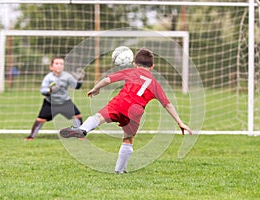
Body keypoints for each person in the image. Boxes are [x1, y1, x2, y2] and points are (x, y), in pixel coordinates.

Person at [60, 48, 192, 173]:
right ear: (152, 66)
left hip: (120, 103)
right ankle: (119, 170)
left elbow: (107, 80)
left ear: (135, 64)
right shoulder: (154, 83)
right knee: (128, 139)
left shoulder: (130, 72)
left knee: (99, 117)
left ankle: (83, 129)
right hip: (136, 111)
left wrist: (96, 88)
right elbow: (167, 104)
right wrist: (180, 122)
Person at [25, 57, 84, 141]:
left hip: (65, 102)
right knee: (40, 120)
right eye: (56, 64)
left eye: (61, 64)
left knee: (77, 116)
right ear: (51, 67)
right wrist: (50, 90)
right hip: (50, 103)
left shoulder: (67, 76)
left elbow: (76, 86)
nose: (59, 66)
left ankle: (80, 135)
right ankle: (31, 136)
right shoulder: (48, 78)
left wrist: (79, 80)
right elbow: (43, 91)